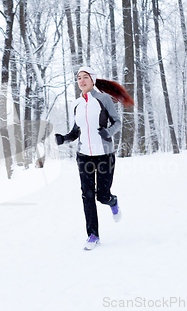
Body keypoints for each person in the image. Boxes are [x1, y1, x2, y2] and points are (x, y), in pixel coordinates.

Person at [55, 66, 134, 250]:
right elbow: (76, 131)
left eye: (85, 77)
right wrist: (64, 138)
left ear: (93, 80)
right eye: (79, 78)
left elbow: (117, 122)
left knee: (102, 196)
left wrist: (108, 132)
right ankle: (93, 235)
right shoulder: (76, 104)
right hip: (84, 157)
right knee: (87, 196)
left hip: (104, 155)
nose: (81, 81)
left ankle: (113, 202)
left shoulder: (103, 99)